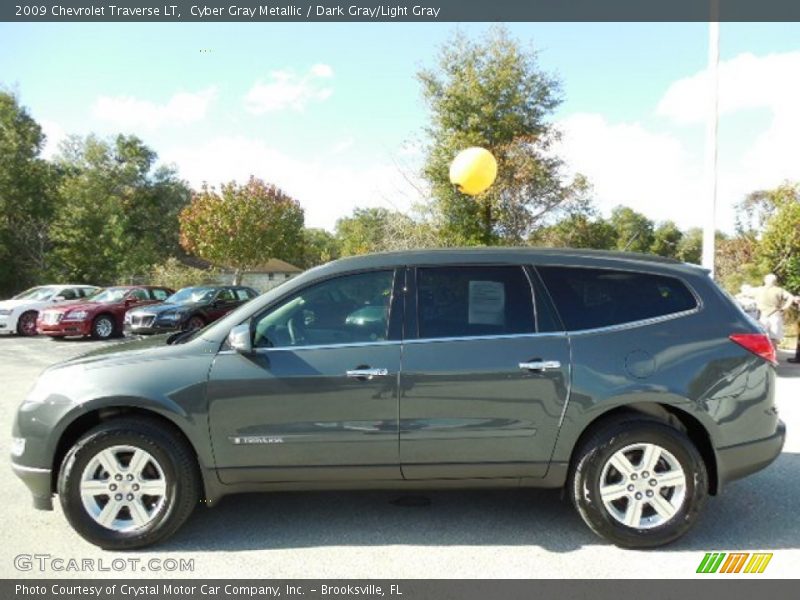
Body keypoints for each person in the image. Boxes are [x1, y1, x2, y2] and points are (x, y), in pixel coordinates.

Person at [754, 273, 794, 350]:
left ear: (765, 280)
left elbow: (744, 294)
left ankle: (761, 355)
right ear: (775, 281)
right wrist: (784, 307)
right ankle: (773, 356)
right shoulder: (779, 290)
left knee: (761, 336)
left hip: (762, 315)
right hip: (775, 314)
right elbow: (791, 298)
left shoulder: (758, 290)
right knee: (773, 338)